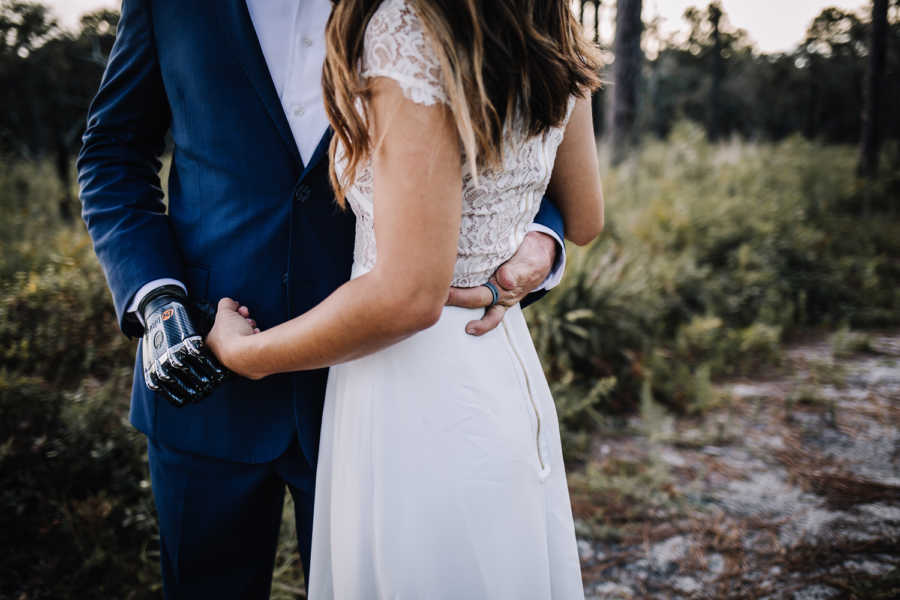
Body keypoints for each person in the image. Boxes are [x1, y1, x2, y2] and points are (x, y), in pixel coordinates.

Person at [77, 0, 571, 597]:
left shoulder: (415, 12)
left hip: (378, 380)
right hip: (205, 371)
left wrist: (539, 237)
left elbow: (511, 122)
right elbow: (112, 153)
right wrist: (158, 302)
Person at [205, 0, 604, 597]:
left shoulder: (406, 24)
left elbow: (407, 297)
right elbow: (587, 216)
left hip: (408, 388)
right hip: (497, 364)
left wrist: (246, 355)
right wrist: (515, 246)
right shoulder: (548, 22)